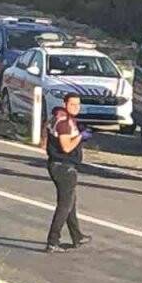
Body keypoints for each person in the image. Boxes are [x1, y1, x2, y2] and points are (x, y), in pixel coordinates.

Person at [43, 94, 92, 253]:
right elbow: (66, 147)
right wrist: (80, 137)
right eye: (72, 104)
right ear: (65, 104)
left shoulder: (58, 118)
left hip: (59, 165)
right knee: (65, 205)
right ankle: (53, 241)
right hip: (64, 167)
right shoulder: (64, 122)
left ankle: (77, 236)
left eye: (78, 105)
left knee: (71, 202)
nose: (76, 107)